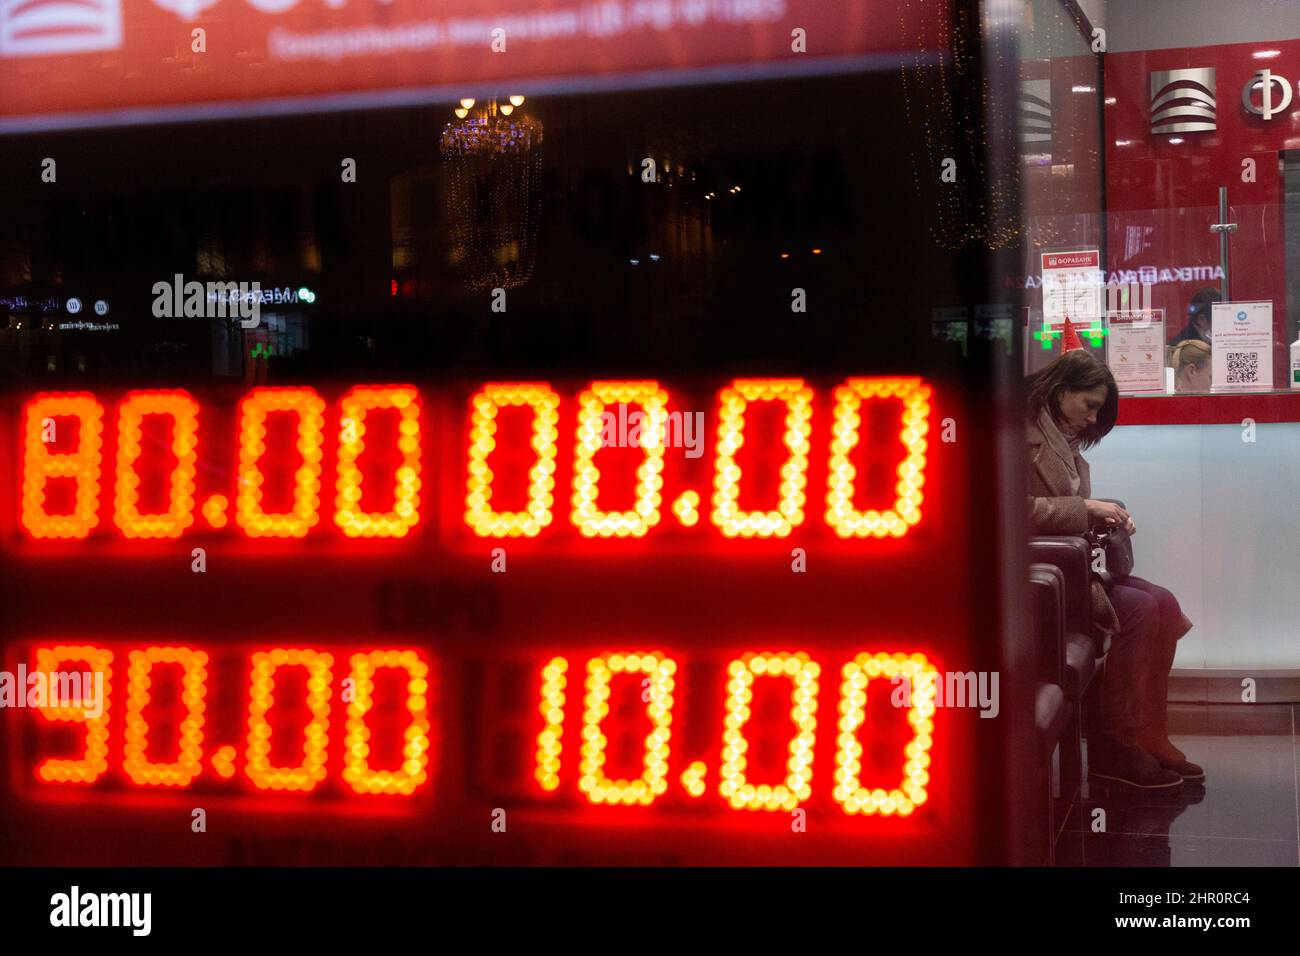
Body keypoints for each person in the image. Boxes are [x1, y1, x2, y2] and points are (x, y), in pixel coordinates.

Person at [1025, 349, 1203, 789]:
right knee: (1141, 609)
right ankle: (1112, 744)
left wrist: (1104, 515)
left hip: (1070, 564)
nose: (1092, 419)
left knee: (1164, 601)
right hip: (1042, 577)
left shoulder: (1059, 438)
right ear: (1062, 390)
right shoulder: (1018, 436)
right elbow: (1010, 509)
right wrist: (1085, 508)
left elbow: (1066, 508)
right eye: (1089, 405)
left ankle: (1149, 733)